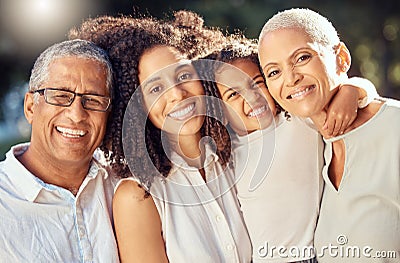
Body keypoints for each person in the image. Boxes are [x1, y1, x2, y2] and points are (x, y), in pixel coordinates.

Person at [70, 11, 252, 262]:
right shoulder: (138, 195)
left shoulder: (235, 153)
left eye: (184, 76)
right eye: (156, 88)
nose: (177, 94)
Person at [200, 34, 378, 262]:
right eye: (233, 94)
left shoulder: (297, 119)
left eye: (257, 83)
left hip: (316, 253)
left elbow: (366, 90)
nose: (251, 97)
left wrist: (351, 91)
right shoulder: (226, 152)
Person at [258, 8, 400, 262]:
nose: (291, 78)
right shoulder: (308, 136)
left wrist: (354, 88)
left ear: (342, 58)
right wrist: (355, 89)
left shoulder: (394, 128)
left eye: (302, 58)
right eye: (273, 72)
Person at [0, 39, 119, 261]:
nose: (76, 115)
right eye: (61, 96)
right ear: (30, 107)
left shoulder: (124, 185)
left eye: (92, 100)